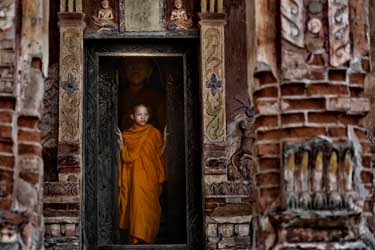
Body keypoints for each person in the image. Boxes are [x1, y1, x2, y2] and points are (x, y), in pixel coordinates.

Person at [116, 104, 167, 244]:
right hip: (136, 177)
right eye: (139, 114)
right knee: (137, 205)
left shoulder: (154, 133)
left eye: (145, 114)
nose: (143, 117)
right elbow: (126, 158)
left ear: (149, 116)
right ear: (132, 116)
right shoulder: (127, 135)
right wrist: (121, 145)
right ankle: (135, 237)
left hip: (151, 176)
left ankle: (149, 237)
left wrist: (165, 142)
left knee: (151, 207)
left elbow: (158, 155)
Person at [118, 58, 165, 131]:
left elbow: (163, 127)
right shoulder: (117, 97)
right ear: (122, 70)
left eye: (141, 62)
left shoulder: (157, 98)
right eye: (130, 62)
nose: (135, 68)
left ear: (149, 71)